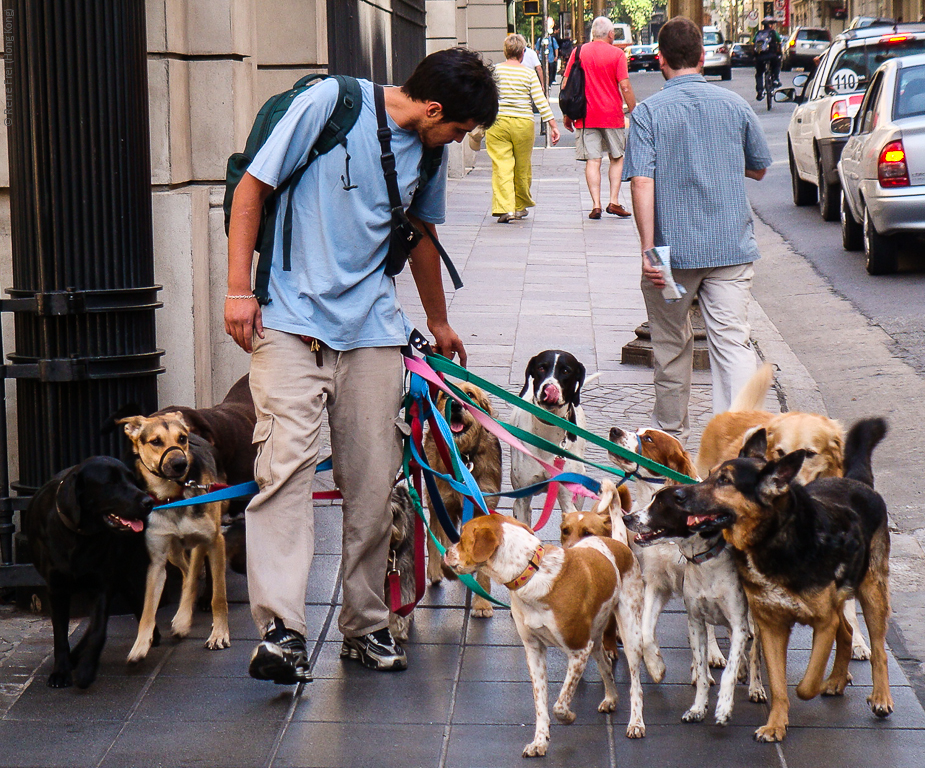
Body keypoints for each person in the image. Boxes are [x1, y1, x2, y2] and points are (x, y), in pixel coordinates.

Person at [224, 48, 498, 683]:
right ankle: (282, 630)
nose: (458, 141)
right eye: (458, 130)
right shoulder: (330, 104)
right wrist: (239, 291)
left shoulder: (427, 152)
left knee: (374, 483)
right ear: (434, 110)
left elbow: (421, 233)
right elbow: (251, 190)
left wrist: (437, 320)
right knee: (284, 468)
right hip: (288, 318)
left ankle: (365, 623)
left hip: (372, 330)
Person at [622, 16, 773, 445]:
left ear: (661, 59)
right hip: (730, 250)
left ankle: (670, 442)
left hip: (673, 259)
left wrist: (650, 250)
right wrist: (722, 159)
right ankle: (739, 440)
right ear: (703, 58)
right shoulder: (735, 105)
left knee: (671, 347)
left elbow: (642, 181)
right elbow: (760, 168)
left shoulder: (650, 112)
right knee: (732, 344)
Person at [561, 16, 637, 220]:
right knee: (617, 158)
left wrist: (567, 114)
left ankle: (596, 205)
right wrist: (634, 110)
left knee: (592, 161)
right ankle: (614, 201)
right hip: (612, 116)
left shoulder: (578, 52)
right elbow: (625, 86)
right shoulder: (617, 54)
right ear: (611, 34)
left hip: (585, 116)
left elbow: (566, 85)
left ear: (592, 33)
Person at [487, 34, 560, 223]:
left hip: (498, 122)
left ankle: (505, 208)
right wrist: (553, 124)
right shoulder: (528, 74)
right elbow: (540, 101)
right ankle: (519, 206)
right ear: (522, 53)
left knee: (502, 165)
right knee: (522, 166)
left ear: (505, 52)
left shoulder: (494, 72)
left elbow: (485, 98)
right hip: (523, 124)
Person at [753, 17, 783, 101]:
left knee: (759, 74)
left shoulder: (758, 33)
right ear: (770, 25)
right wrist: (779, 53)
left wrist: (755, 56)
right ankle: (775, 79)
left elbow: (753, 44)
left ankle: (759, 91)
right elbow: (779, 43)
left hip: (760, 57)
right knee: (777, 64)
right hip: (771, 56)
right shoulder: (774, 33)